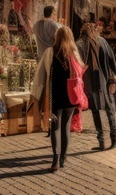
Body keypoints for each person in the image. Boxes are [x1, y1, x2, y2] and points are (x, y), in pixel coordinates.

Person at [32, 26, 84, 172]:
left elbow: (41, 73)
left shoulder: (50, 52)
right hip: (71, 97)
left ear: (57, 37)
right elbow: (80, 73)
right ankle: (63, 159)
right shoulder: (74, 53)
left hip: (55, 97)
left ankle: (55, 159)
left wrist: (38, 93)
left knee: (55, 126)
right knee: (66, 127)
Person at [77, 23, 116, 151]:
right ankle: (114, 139)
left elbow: (77, 63)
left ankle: (101, 142)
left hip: (91, 83)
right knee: (109, 110)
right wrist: (113, 79)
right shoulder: (103, 42)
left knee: (96, 112)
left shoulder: (81, 44)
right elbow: (112, 61)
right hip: (105, 81)